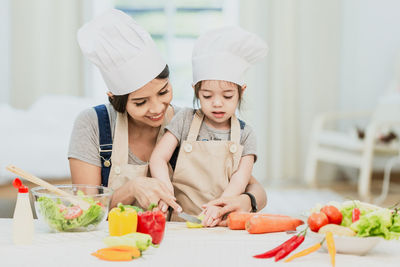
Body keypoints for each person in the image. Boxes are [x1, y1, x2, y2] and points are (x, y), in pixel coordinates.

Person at [68, 9, 267, 221]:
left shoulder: (190, 124)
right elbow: (87, 210)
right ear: (113, 98)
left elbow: (256, 189)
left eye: (163, 91)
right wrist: (131, 190)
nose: (156, 109)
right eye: (140, 102)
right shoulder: (93, 125)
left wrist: (245, 201)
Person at [150, 27, 268, 226]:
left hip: (223, 220)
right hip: (179, 220)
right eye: (207, 96)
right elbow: (158, 158)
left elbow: (241, 179)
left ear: (241, 92)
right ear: (196, 92)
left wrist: (220, 206)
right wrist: (165, 189)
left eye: (227, 96)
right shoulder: (184, 119)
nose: (217, 103)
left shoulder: (246, 134)